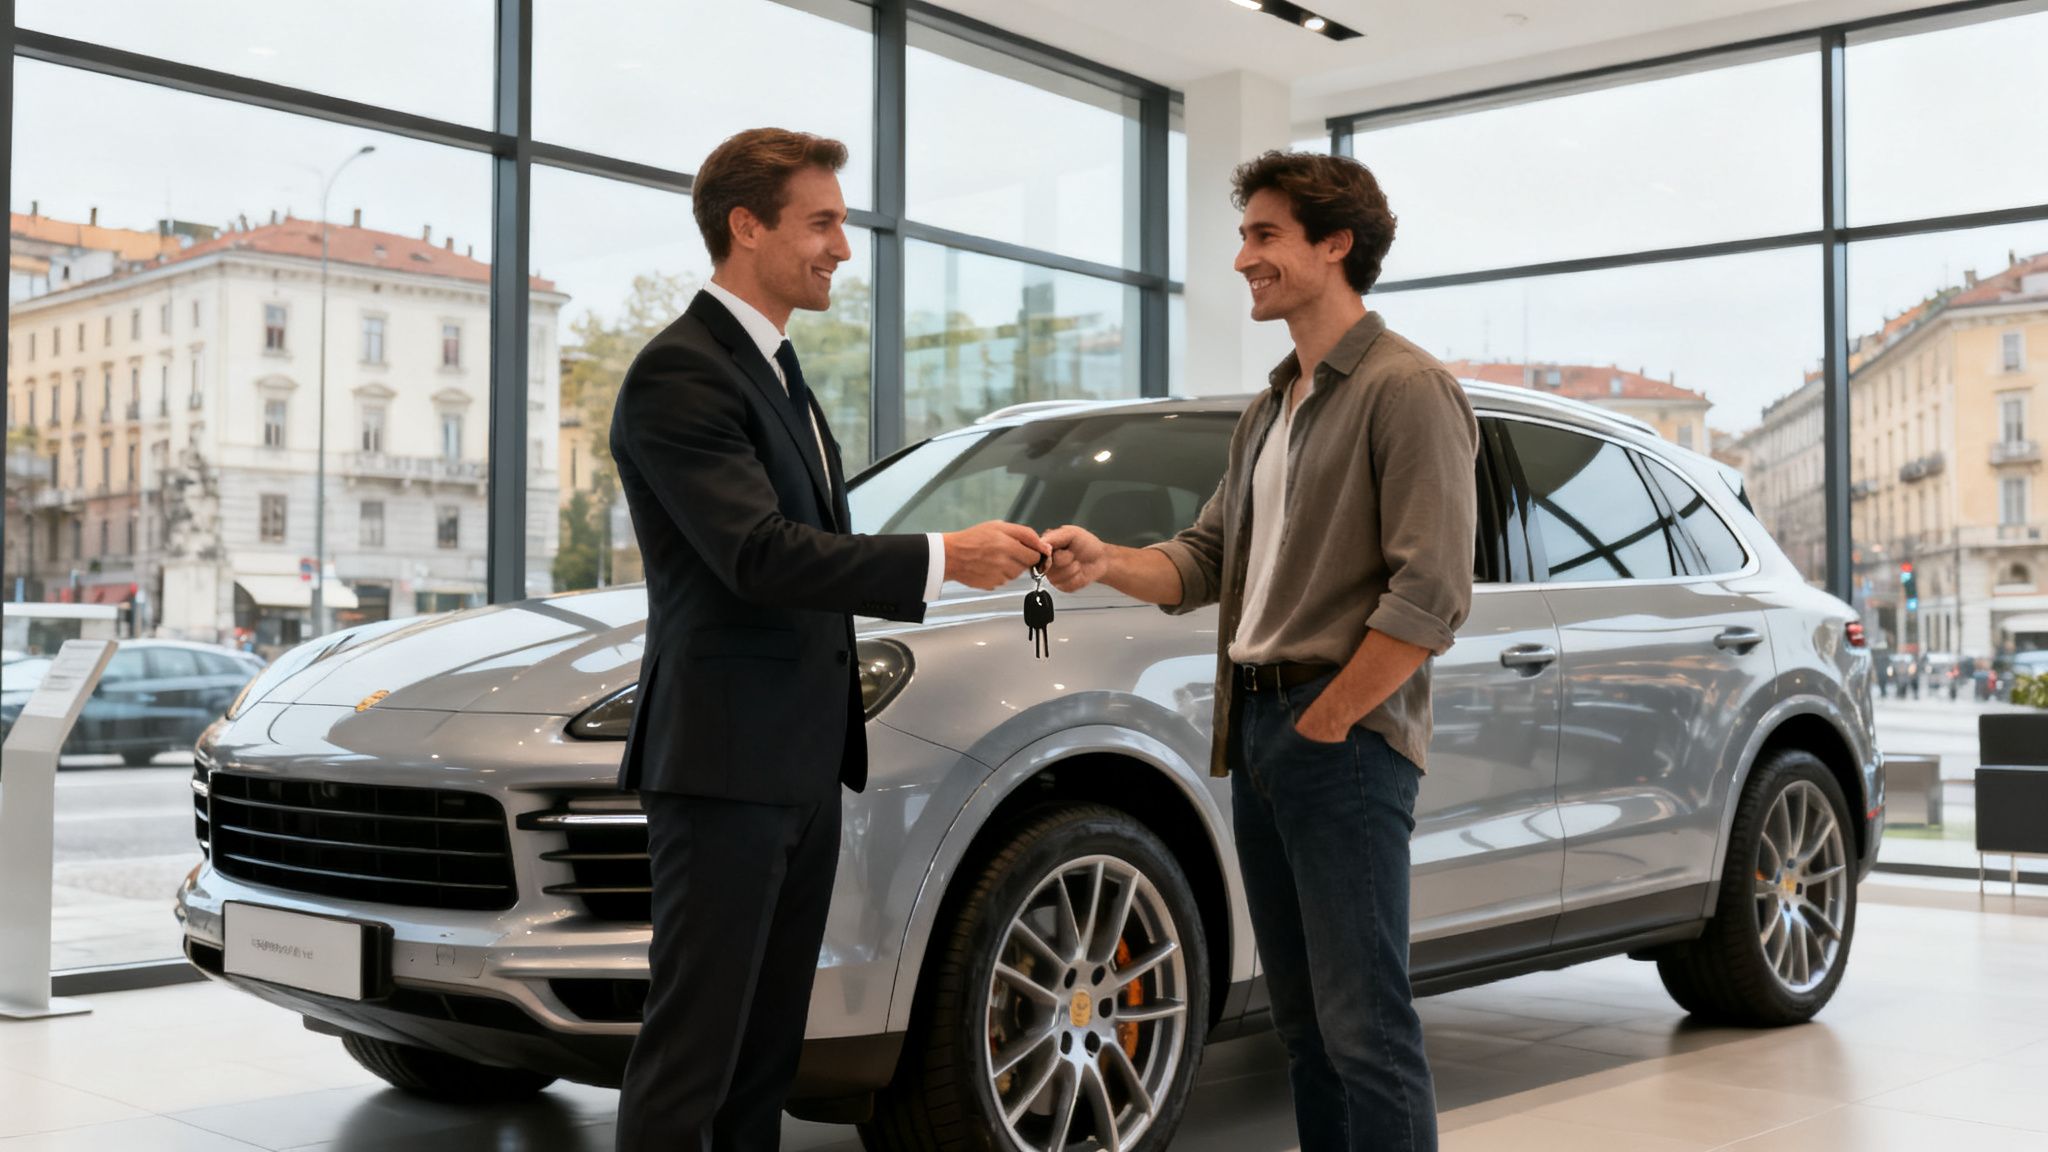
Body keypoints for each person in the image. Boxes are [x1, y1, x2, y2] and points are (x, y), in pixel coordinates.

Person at [607, 127, 1048, 1152]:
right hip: (722, 766)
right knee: (694, 1055)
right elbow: (757, 556)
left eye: (841, 224)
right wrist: (942, 556)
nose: (842, 248)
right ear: (745, 225)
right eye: (823, 222)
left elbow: (816, 550)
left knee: (763, 1053)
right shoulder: (681, 371)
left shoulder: (776, 370)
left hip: (795, 761)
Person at [1042, 150, 1476, 1152]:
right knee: (1306, 1029)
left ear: (1336, 244)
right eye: (1244, 236)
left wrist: (1329, 718)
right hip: (1262, 734)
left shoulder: (1406, 389)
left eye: (1263, 235)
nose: (1242, 259)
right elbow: (1201, 560)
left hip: (1341, 738)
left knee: (1365, 1027)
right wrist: (1106, 558)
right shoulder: (1273, 405)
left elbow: (1429, 593)